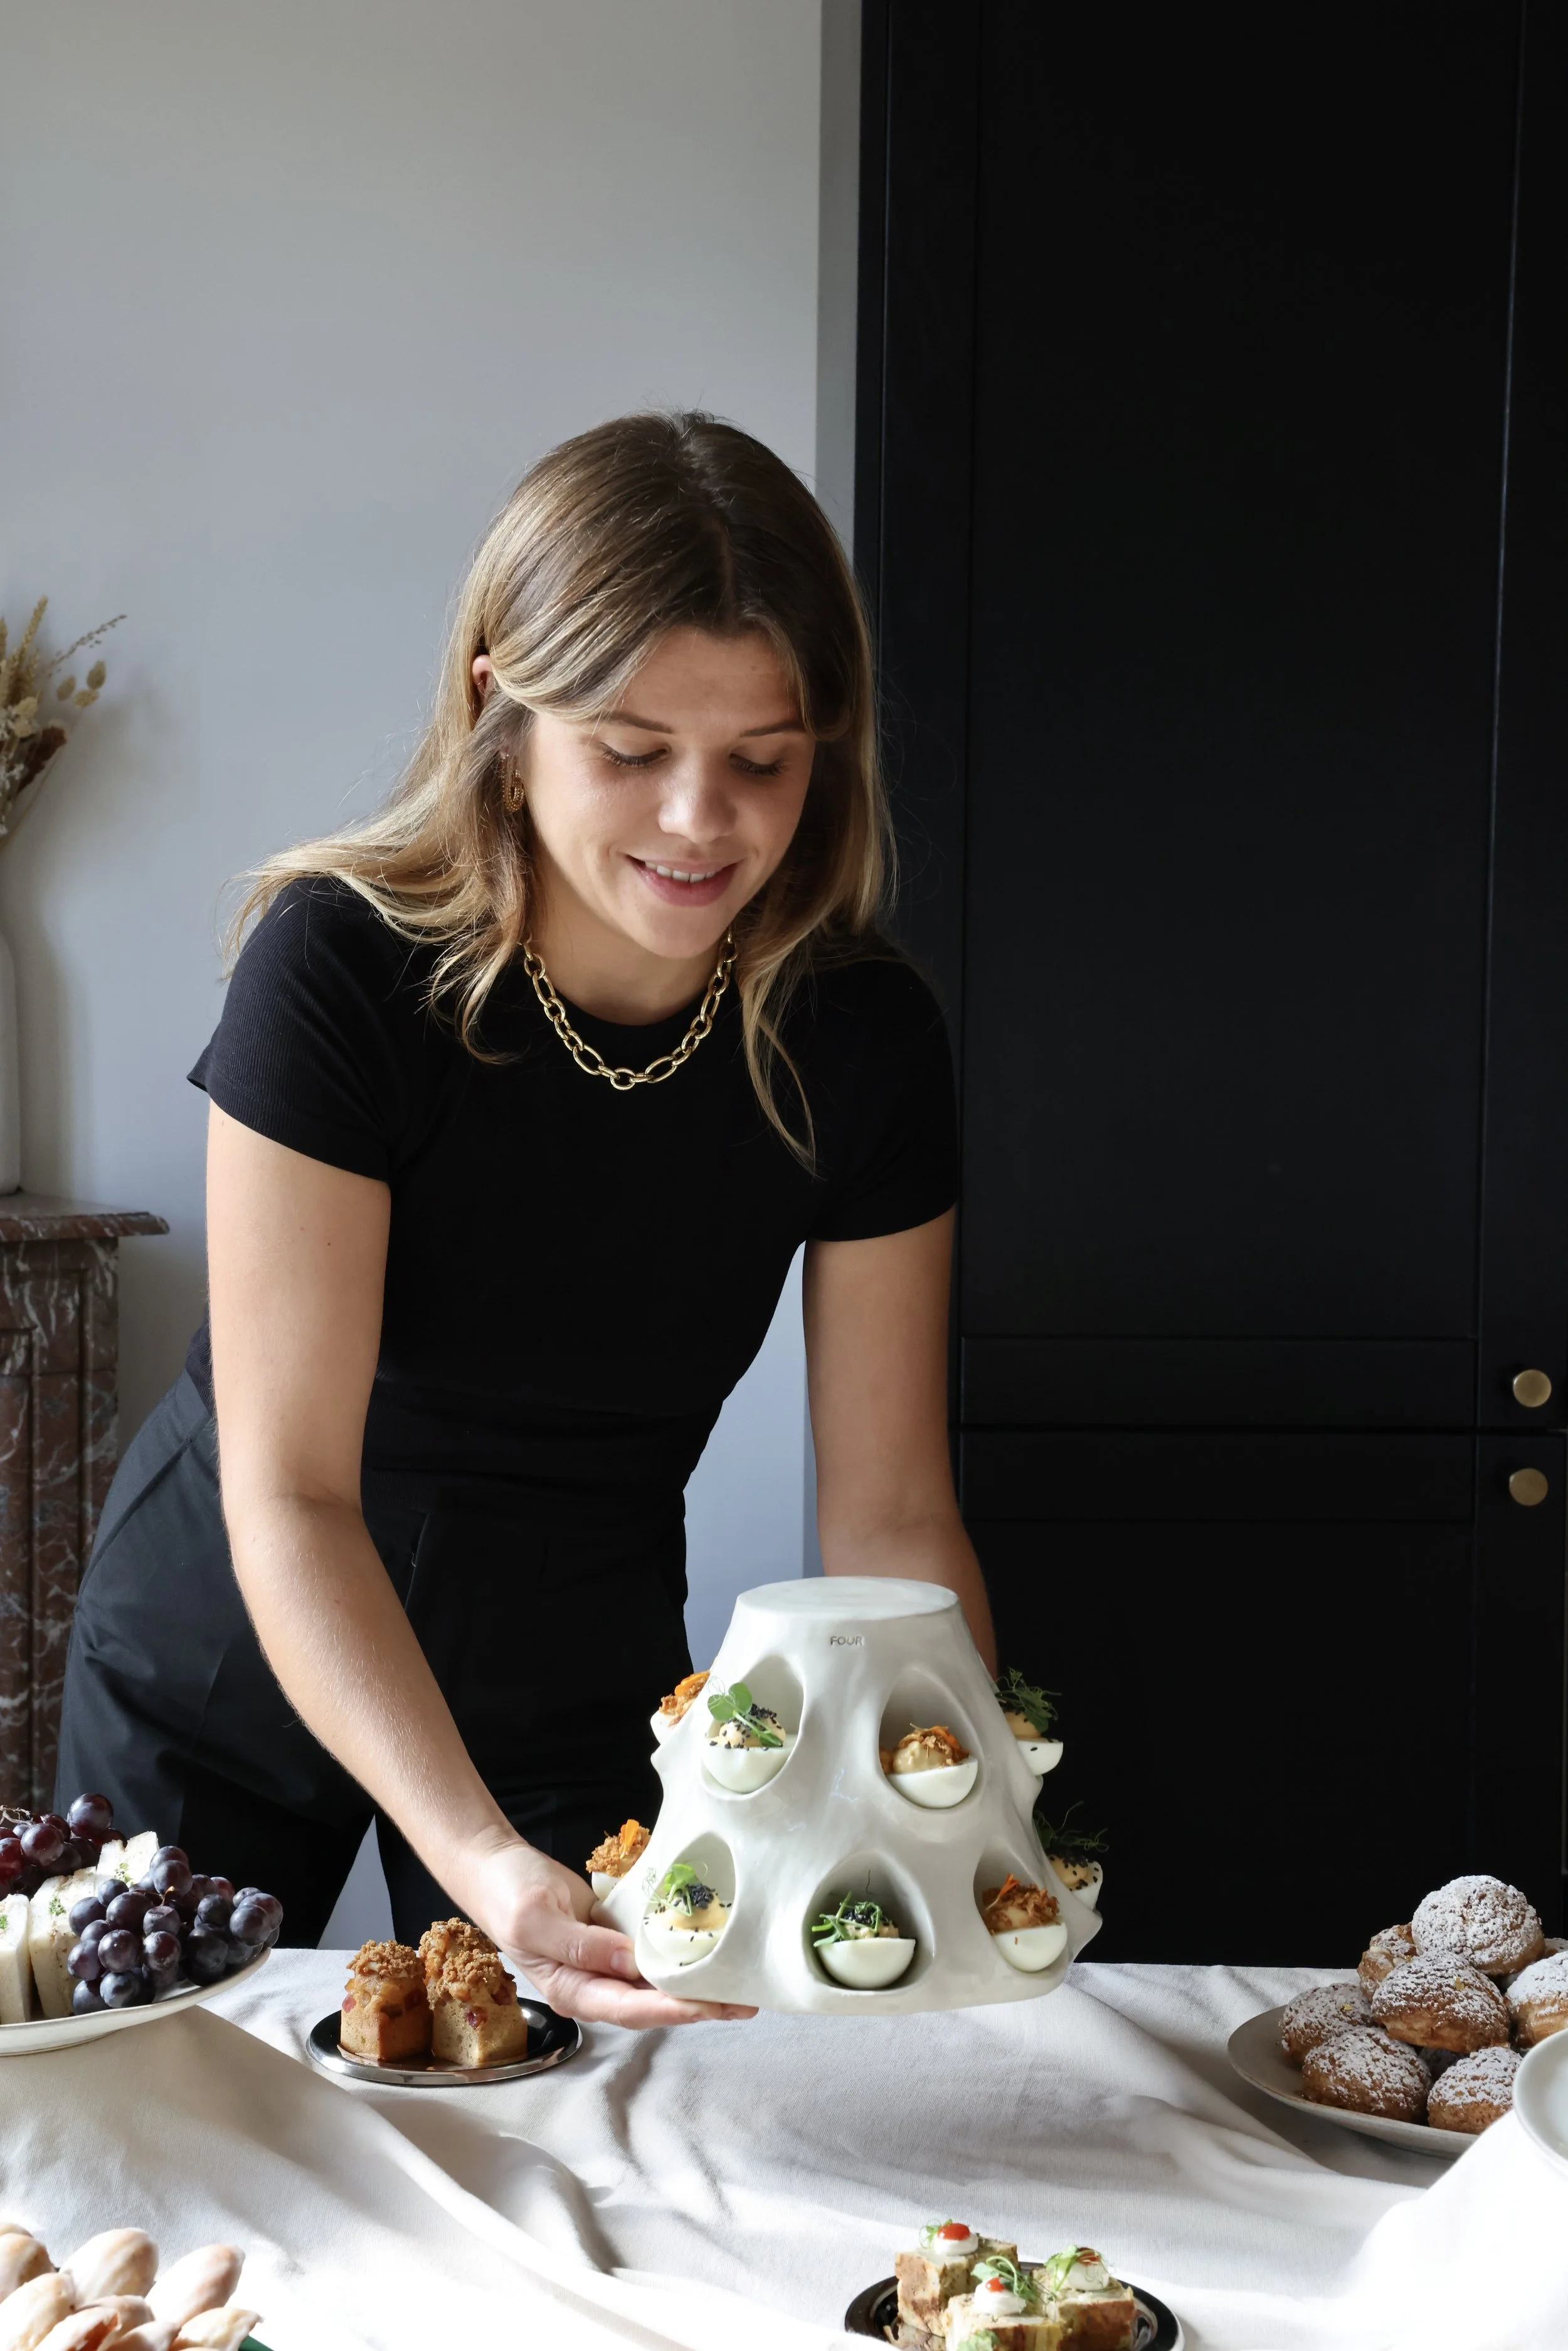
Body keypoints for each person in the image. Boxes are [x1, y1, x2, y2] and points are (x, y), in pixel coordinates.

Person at [56, 411, 993, 2028]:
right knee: (170, 2105)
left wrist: (970, 1831)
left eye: (764, 758)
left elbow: (898, 1510)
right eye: (633, 750)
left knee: (599, 2126)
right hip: (241, 1621)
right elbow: (290, 1491)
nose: (704, 820)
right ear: (502, 697)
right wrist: (476, 1855)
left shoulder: (863, 1034)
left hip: (575, 1630)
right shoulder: (338, 971)